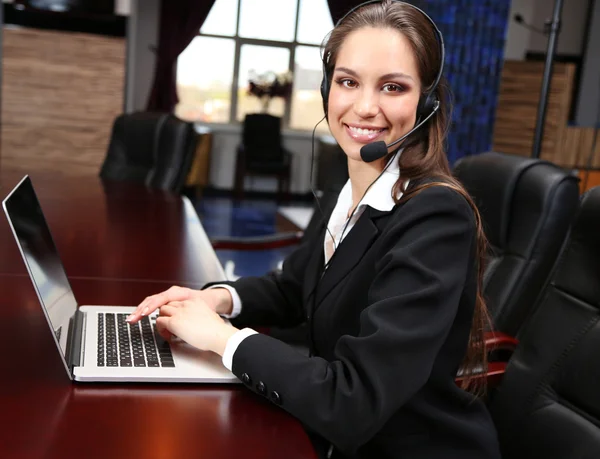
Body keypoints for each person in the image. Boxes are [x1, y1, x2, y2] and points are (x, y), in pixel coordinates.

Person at [127, 1, 502, 458]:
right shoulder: (348, 188)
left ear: (426, 101)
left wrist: (222, 338)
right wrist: (215, 299)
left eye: (393, 87)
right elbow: (294, 286)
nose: (365, 107)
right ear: (327, 88)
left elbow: (354, 400)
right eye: (348, 81)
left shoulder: (436, 216)